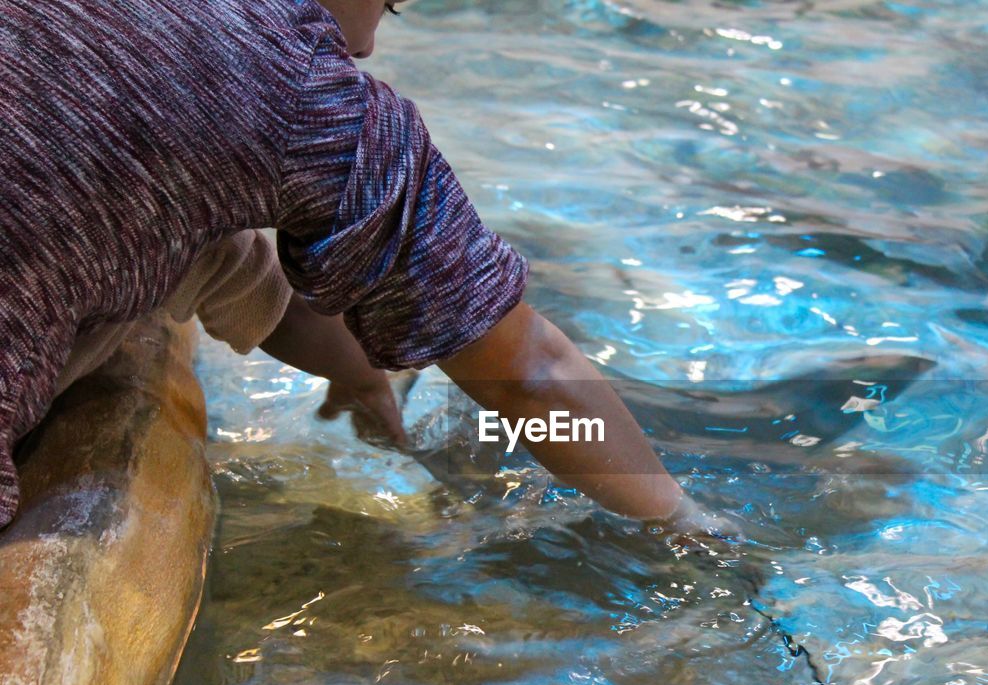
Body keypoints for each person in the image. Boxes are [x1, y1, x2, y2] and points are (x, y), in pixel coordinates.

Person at [0, 0, 719, 534]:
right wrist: (685, 522)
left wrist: (358, 370)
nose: (371, 43)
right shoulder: (291, 84)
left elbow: (201, 249)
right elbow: (533, 376)